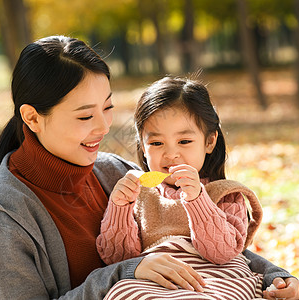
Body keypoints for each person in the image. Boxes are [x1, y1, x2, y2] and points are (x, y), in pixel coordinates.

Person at [0, 35, 299, 300]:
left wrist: (273, 276)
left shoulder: (113, 172)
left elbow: (184, 241)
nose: (104, 127)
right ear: (32, 118)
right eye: (86, 115)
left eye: (107, 108)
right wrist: (126, 272)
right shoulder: (1, 214)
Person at [96, 76, 268, 299]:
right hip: (157, 284)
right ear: (143, 146)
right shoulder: (140, 194)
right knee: (121, 291)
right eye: (156, 143)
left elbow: (222, 253)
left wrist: (197, 199)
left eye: (184, 142)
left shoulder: (226, 194)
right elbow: (117, 259)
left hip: (216, 280)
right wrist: (119, 208)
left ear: (209, 142)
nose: (171, 154)